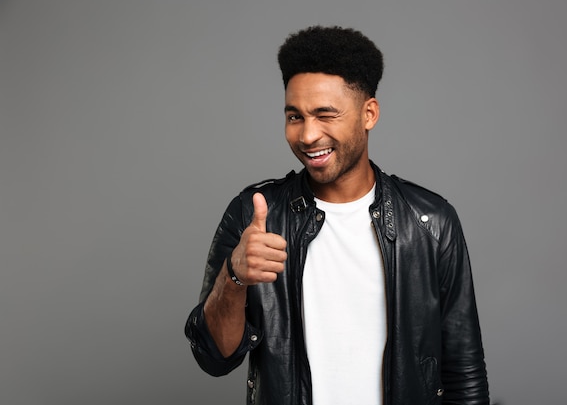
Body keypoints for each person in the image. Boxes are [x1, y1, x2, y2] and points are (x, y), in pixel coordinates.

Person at [185, 25, 489, 405]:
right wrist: (233, 277)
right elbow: (212, 357)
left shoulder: (431, 223)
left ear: (369, 114)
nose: (308, 135)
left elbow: (464, 373)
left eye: (325, 115)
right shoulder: (255, 216)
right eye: (294, 116)